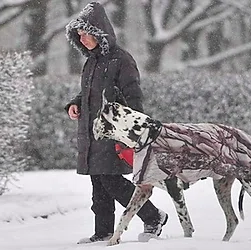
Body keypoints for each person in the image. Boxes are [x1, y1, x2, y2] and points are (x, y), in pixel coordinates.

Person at [64, 1, 168, 244]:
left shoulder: (121, 60)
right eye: (79, 35)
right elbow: (89, 93)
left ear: (99, 32)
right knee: (98, 183)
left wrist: (133, 133)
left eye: (86, 34)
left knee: (111, 180)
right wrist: (74, 103)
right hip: (93, 132)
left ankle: (153, 216)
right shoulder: (91, 62)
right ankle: (103, 232)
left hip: (114, 132)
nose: (83, 39)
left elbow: (133, 96)